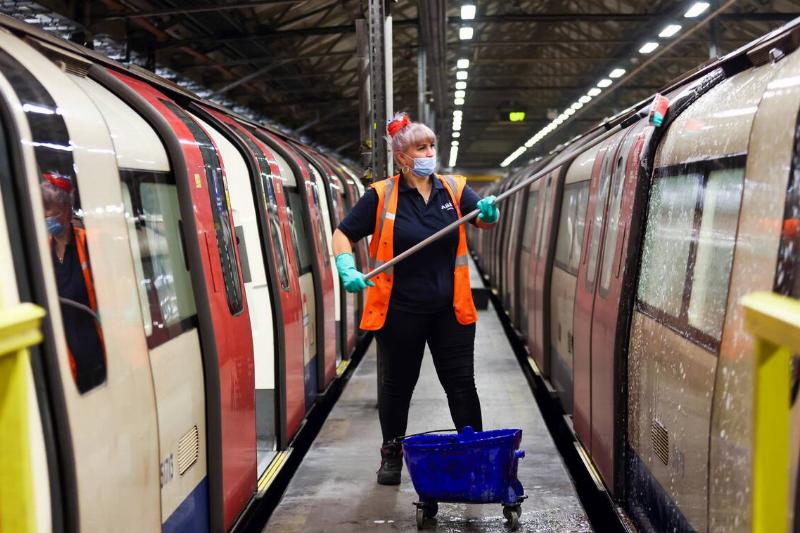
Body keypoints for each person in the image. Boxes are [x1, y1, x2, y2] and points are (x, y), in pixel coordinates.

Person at [332, 112, 499, 485]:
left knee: (461, 384)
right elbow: (343, 234)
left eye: (431, 146)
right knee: (397, 385)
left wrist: (490, 213)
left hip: (449, 310)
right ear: (402, 157)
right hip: (399, 311)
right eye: (420, 147)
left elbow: (482, 219)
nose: (428, 153)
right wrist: (346, 267)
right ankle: (392, 453)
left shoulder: (453, 189)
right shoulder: (381, 195)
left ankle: (474, 452)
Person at [41, 172, 106, 393]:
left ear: (67, 211)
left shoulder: (89, 242)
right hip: (69, 361)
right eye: (43, 212)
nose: (46, 218)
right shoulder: (42, 253)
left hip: (100, 353)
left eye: (50, 211)